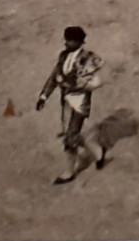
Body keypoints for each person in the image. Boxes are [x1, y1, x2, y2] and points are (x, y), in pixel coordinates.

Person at [35, 26, 106, 185]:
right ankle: (98, 152)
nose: (67, 43)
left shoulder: (87, 58)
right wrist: (44, 96)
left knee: (70, 136)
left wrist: (75, 84)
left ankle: (69, 172)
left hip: (80, 103)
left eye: (71, 40)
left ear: (80, 41)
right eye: (66, 39)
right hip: (66, 102)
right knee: (70, 133)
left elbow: (96, 82)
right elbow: (54, 77)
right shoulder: (63, 56)